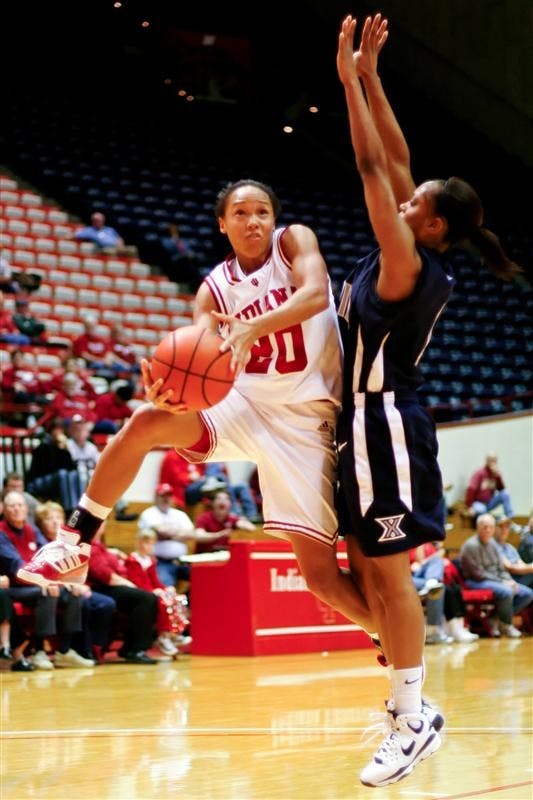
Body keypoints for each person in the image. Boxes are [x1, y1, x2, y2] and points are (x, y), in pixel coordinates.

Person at [17, 178, 377, 659]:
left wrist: (258, 325)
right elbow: (198, 357)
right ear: (222, 224)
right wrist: (172, 393)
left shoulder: (294, 243)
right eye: (242, 213)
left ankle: (389, 642)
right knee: (147, 420)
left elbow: (315, 294)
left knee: (320, 577)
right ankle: (73, 543)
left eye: (262, 212)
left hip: (305, 419)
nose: (254, 221)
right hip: (246, 406)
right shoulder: (213, 290)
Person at [334, 13, 521, 787]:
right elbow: (401, 161)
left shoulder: (404, 257)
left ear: (430, 223)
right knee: (357, 573)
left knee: (385, 575)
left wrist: (348, 85)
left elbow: (376, 170)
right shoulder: (420, 242)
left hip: (383, 423)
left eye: (418, 204)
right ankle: (410, 698)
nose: (404, 200)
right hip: (357, 424)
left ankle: (411, 715)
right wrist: (375, 77)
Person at [0, 491, 93, 669]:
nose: (16, 509)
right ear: (4, 510)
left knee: (72, 592)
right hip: (14, 586)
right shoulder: (1, 532)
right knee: (46, 592)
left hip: (37, 581)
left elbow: (51, 553)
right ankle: (40, 651)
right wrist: (46, 581)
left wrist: (64, 580)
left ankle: (64, 651)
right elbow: (16, 564)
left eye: (20, 505)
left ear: (26, 509)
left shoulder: (31, 529)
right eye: (12, 505)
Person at [86, 523, 158, 664]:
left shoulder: (101, 546)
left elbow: (118, 570)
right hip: (98, 587)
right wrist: (130, 584)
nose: (101, 524)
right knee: (146, 598)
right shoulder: (89, 546)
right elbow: (105, 575)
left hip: (109, 585)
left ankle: (132, 647)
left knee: (147, 598)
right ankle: (135, 649)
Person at [460, 513, 533, 638]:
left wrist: (510, 580)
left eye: (490, 527)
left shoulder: (493, 545)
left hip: (494, 580)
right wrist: (502, 582)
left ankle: (495, 618)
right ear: (478, 527)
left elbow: (501, 569)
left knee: (527, 594)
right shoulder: (470, 545)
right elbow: (478, 574)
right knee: (506, 591)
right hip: (475, 581)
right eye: (484, 527)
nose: (487, 530)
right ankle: (506, 625)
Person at [125, 529, 190, 657]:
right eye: (146, 543)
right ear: (139, 543)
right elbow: (137, 582)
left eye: (152, 544)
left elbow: (156, 580)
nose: (149, 547)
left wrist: (165, 588)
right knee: (163, 603)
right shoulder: (133, 560)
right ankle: (163, 635)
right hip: (143, 592)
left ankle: (175, 633)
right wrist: (153, 591)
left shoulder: (151, 560)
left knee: (178, 599)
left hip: (154, 591)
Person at [193, 490, 255, 554]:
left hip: (224, 555)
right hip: (204, 554)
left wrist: (242, 523)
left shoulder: (232, 519)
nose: (222, 501)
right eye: (219, 498)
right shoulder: (204, 518)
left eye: (226, 499)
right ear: (212, 503)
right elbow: (199, 536)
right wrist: (219, 535)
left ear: (230, 504)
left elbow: (251, 527)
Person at [465, 453, 515, 521]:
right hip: (478, 503)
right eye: (491, 460)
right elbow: (471, 489)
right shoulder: (479, 472)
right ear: (486, 460)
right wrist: (469, 507)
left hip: (489, 502)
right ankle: (490, 520)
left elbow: (501, 489)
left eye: (495, 460)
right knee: (482, 510)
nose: (493, 462)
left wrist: (498, 477)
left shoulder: (495, 474)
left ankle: (509, 519)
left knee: (505, 494)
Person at [73, 211, 137, 257]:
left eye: (100, 220)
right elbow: (76, 235)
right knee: (109, 251)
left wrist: (120, 246)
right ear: (93, 221)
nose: (99, 222)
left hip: (118, 248)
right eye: (96, 220)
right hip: (105, 249)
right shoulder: (89, 230)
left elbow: (119, 238)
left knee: (133, 249)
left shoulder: (110, 229)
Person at [159, 223, 202, 290]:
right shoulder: (166, 240)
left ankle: (194, 283)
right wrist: (175, 240)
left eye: (175, 229)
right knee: (186, 261)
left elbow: (189, 250)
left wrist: (189, 254)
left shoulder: (183, 241)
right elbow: (169, 249)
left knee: (192, 261)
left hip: (186, 260)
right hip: (174, 260)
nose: (174, 231)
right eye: (172, 230)